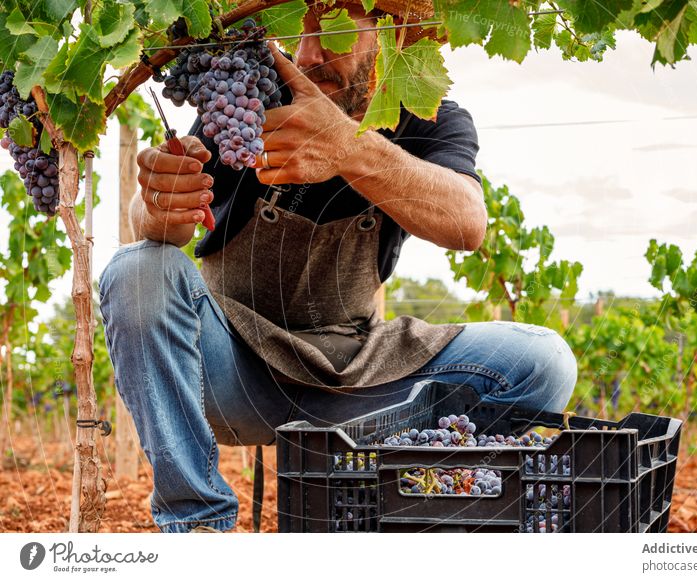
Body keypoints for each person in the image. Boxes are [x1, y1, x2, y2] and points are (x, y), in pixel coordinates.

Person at [98, 0, 577, 533]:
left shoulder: (426, 114)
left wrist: (348, 148)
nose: (308, 54)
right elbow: (161, 213)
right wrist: (159, 203)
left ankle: (404, 509)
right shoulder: (250, 94)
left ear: (389, 33)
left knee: (544, 360)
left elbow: (466, 222)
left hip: (359, 383)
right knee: (136, 272)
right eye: (297, 33)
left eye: (332, 31)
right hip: (232, 371)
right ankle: (200, 527)